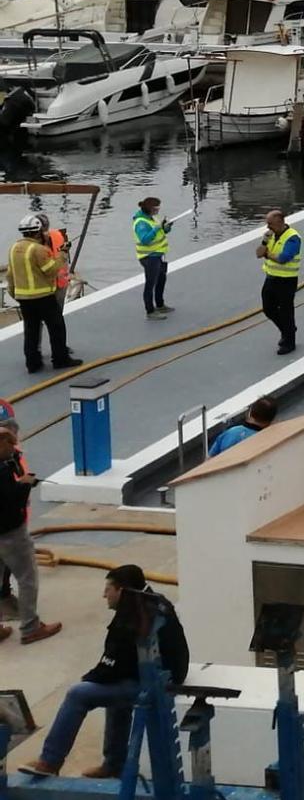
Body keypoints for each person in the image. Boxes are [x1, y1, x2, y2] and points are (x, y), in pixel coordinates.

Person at [17, 564, 186, 779]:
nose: (104, 594)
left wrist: (89, 678)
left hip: (156, 683)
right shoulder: (155, 602)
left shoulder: (130, 618)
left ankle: (50, 761)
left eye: (109, 588)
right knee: (114, 693)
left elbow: (109, 667)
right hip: (169, 674)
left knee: (78, 693)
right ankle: (113, 764)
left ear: (122, 591)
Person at [0, 421, 60, 647]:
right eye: (10, 445)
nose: (14, 450)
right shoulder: (2, 471)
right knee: (27, 579)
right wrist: (25, 484)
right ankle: (30, 627)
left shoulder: (5, 465)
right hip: (10, 533)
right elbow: (10, 501)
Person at [11, 213, 79, 374]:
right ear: (38, 231)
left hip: (24, 299)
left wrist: (16, 294)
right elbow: (51, 270)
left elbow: (10, 275)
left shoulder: (14, 248)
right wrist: (62, 254)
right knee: (56, 328)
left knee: (31, 331)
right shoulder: (38, 249)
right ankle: (60, 359)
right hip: (42, 297)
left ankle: (33, 363)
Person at [257, 210, 301, 355]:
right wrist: (264, 242)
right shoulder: (269, 235)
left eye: (270, 224)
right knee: (268, 308)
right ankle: (287, 329)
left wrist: (268, 254)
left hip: (286, 280)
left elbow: (284, 258)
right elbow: (258, 253)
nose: (268, 227)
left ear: (280, 222)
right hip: (271, 277)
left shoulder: (293, 238)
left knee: (286, 311)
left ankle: (289, 342)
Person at [133, 196, 173, 317]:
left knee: (161, 279)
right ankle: (150, 311)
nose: (158, 210)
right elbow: (145, 239)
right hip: (149, 257)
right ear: (150, 209)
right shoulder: (141, 223)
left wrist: (166, 228)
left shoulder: (151, 218)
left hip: (158, 255)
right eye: (156, 208)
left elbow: (160, 232)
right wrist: (156, 229)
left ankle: (160, 305)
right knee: (150, 283)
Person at [209, 396, 276, 457]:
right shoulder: (271, 438)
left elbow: (209, 458)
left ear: (251, 412)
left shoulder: (230, 432)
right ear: (271, 420)